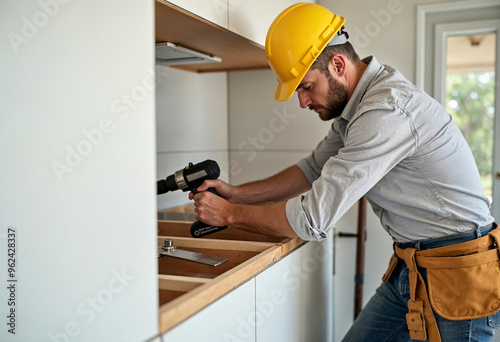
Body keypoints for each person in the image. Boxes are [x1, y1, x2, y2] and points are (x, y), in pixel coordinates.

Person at [190, 3, 499, 341]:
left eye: (306, 87)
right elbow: (310, 168)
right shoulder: (357, 109)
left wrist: (229, 215)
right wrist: (237, 193)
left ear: (337, 64)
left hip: (459, 273)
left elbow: (312, 219)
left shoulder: (384, 110)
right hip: (411, 268)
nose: (302, 103)